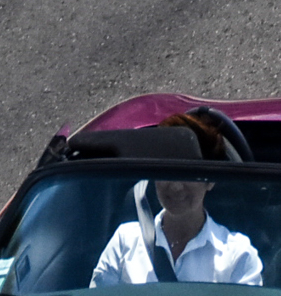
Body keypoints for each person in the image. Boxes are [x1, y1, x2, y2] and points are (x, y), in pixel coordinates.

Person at [90, 112, 264, 286]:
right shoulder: (124, 241)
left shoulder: (238, 255)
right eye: (167, 172)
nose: (175, 186)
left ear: (210, 180)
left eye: (188, 175)